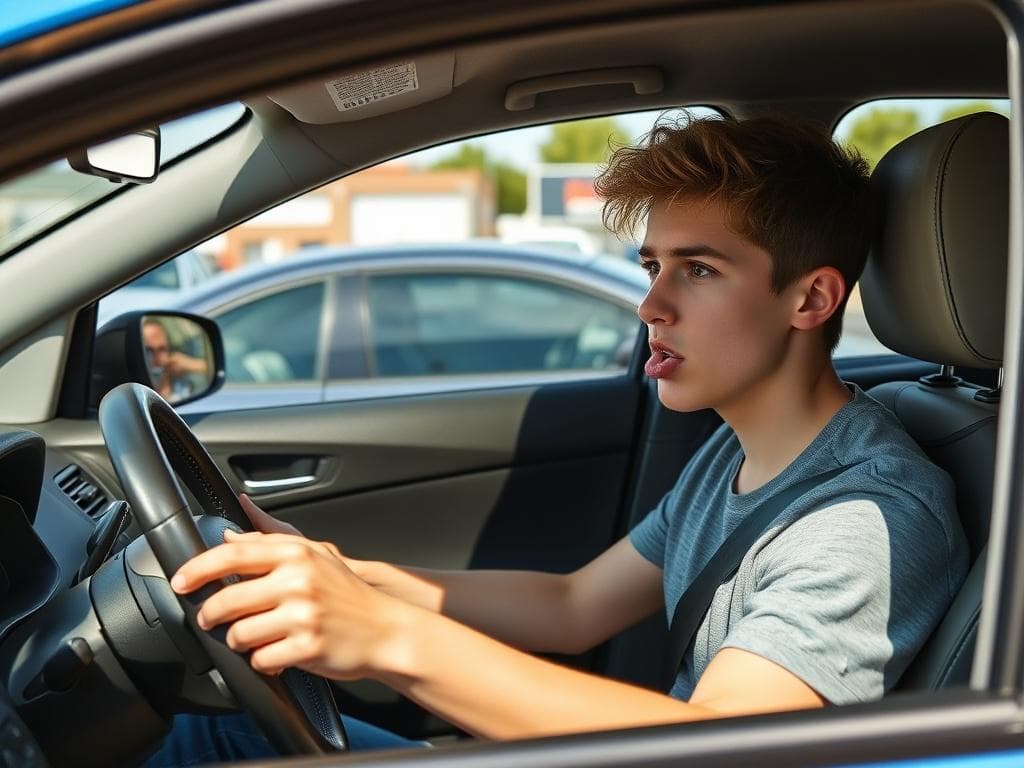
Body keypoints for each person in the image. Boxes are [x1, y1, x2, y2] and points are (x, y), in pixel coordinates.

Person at [147, 115, 969, 765]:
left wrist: (387, 638)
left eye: (700, 269)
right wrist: (345, 575)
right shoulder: (739, 447)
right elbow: (573, 607)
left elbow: (720, 745)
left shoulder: (867, 519)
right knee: (207, 738)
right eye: (652, 266)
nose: (651, 305)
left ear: (812, 299)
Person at [142, 318, 209, 403]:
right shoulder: (140, 394)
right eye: (148, 351)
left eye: (162, 349)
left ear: (170, 350)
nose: (157, 358)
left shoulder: (188, 384)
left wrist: (191, 365)